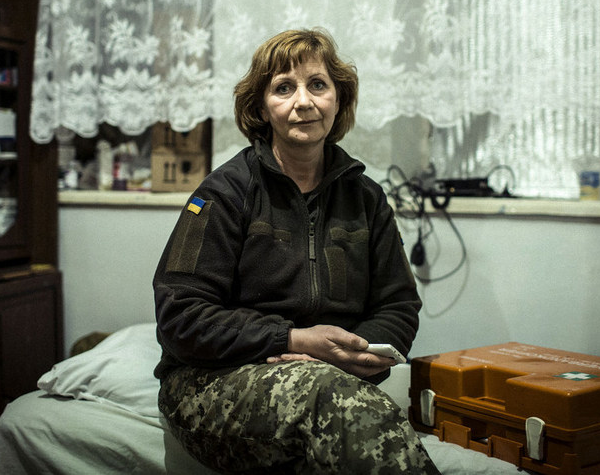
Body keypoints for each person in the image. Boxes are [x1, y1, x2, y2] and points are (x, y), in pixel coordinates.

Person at [154, 28, 440, 474]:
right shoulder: (222, 193)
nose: (303, 102)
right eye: (284, 88)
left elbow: (398, 304)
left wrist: (352, 354)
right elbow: (181, 315)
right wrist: (293, 339)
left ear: (338, 100)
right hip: (207, 381)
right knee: (333, 399)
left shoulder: (367, 199)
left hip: (334, 381)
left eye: (317, 85)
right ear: (261, 108)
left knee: (338, 401)